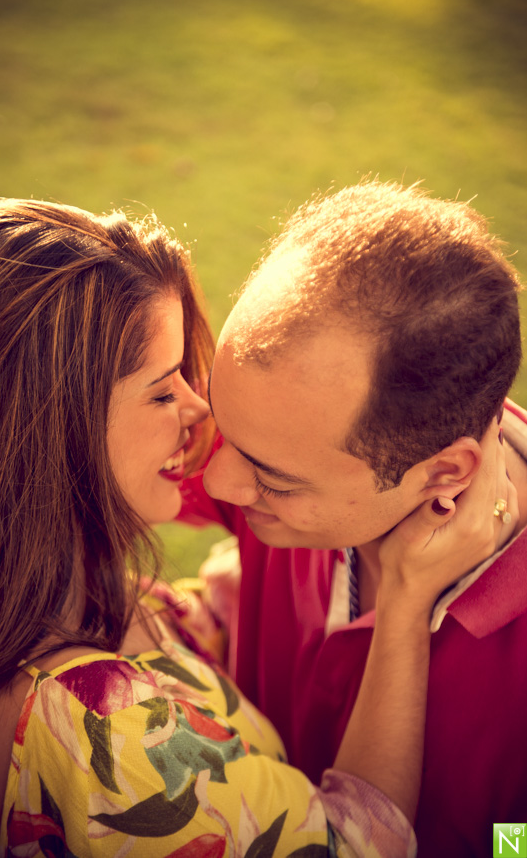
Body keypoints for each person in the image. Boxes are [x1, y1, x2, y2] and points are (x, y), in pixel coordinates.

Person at [0, 197, 508, 858]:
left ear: (442, 473)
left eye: (184, 375)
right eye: (162, 388)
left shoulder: (16, 595)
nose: (201, 418)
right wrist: (402, 603)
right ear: (53, 429)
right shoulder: (103, 729)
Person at [178, 180, 527, 858]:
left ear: (443, 473)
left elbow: (513, 839)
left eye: (271, 478)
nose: (215, 479)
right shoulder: (285, 432)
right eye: (220, 421)